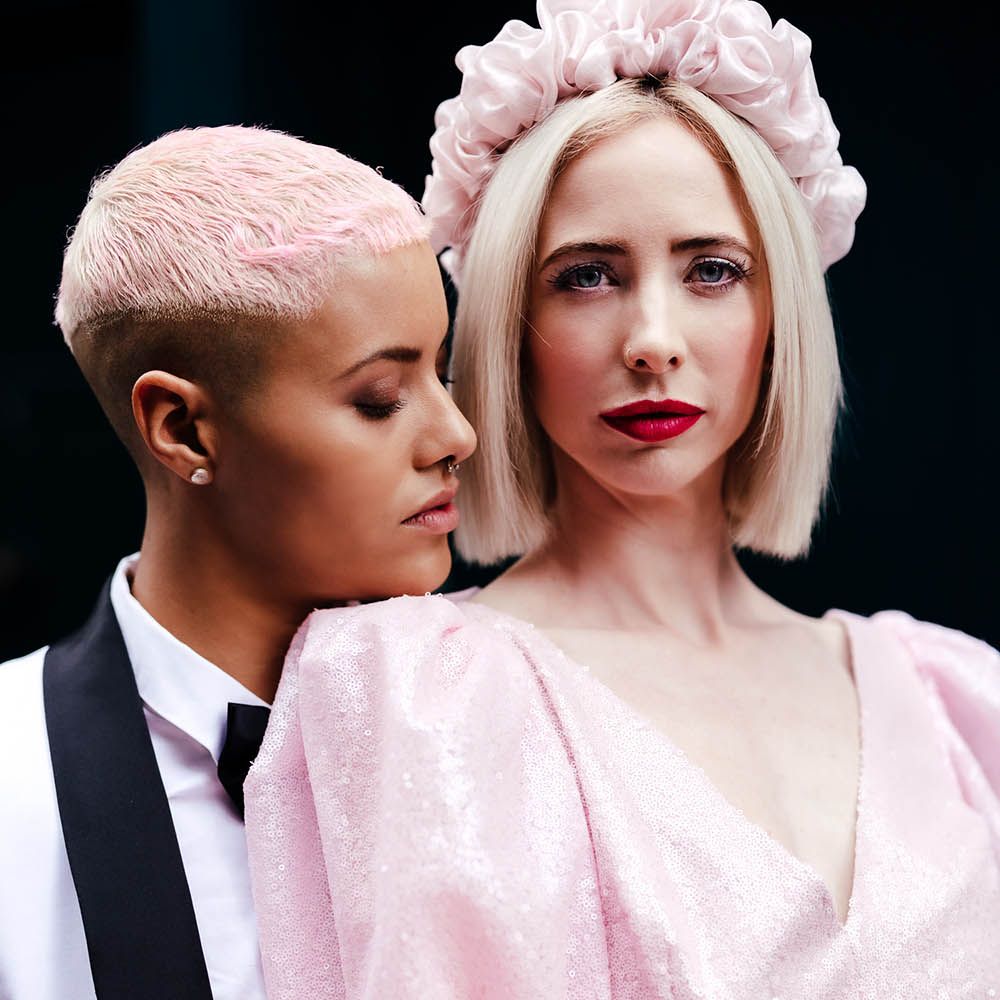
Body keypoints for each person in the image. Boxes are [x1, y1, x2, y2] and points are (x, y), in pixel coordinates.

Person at [244, 2, 1000, 996]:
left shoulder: (960, 703)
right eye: (588, 276)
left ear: (779, 312)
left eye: (712, 270)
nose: (652, 337)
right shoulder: (410, 696)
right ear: (510, 317)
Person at [0, 125, 475, 1000]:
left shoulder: (514, 716)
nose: (456, 435)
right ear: (182, 428)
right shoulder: (8, 771)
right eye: (380, 399)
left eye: (442, 373)